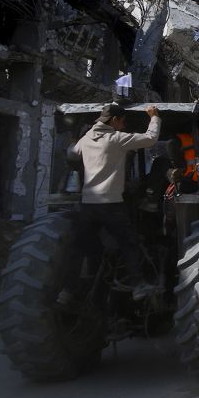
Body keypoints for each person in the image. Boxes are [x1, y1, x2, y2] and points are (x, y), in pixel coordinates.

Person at [61, 103, 162, 304]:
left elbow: (72, 154)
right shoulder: (116, 139)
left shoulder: (87, 138)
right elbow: (151, 139)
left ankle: (67, 290)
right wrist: (154, 117)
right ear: (114, 121)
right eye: (122, 122)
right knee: (129, 242)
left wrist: (74, 141)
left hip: (88, 205)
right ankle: (137, 286)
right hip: (111, 205)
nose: (123, 126)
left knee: (78, 247)